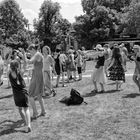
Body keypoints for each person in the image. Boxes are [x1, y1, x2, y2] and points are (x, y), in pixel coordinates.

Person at [21, 44, 46, 119]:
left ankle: (35, 113)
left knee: (30, 95)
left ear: (32, 49)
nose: (30, 53)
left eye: (30, 51)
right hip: (38, 75)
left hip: (37, 76)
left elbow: (29, 62)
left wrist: (24, 54)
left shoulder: (37, 54)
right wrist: (24, 55)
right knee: (39, 95)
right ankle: (43, 111)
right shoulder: (37, 54)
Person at [8, 60, 31, 132]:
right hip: (23, 93)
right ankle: (29, 125)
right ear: (18, 66)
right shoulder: (20, 73)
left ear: (11, 67)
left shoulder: (9, 74)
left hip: (16, 94)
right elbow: (25, 63)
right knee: (26, 109)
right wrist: (23, 54)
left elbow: (7, 66)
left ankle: (25, 123)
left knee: (20, 109)